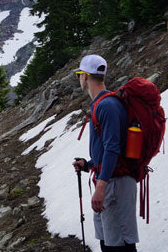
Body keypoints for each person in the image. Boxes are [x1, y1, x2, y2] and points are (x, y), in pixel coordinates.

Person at [72, 54, 139, 252]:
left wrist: (101, 187)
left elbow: (112, 148)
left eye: (79, 74)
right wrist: (89, 165)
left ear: (85, 76)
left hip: (114, 184)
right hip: (111, 180)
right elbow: (108, 149)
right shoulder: (105, 103)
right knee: (108, 240)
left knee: (119, 244)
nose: (79, 79)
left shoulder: (107, 106)